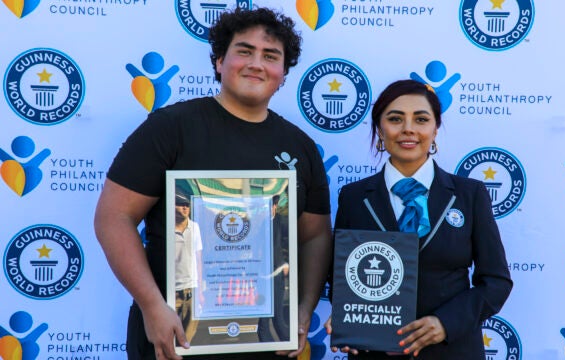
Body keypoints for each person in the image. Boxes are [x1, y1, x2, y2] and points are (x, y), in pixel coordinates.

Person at [94, 7, 332, 360]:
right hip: (174, 335)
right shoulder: (169, 129)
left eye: (270, 56)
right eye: (244, 51)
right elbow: (113, 218)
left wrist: (303, 308)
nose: (256, 63)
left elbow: (314, 236)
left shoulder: (300, 148)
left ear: (283, 73)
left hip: (266, 340)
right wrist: (151, 306)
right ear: (220, 61)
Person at [325, 79, 512, 359]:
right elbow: (342, 280)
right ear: (379, 129)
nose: (408, 129)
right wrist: (346, 319)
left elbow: (496, 282)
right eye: (395, 119)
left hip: (451, 350)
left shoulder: (469, 195)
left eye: (421, 119)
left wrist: (445, 324)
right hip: (374, 352)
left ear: (435, 129)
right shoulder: (353, 197)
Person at [173, 191, 203, 345]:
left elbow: (198, 257)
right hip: (173, 292)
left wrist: (201, 291)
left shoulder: (195, 227)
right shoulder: (167, 228)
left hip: (192, 290)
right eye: (181, 205)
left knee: (187, 340)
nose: (185, 208)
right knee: (171, 339)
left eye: (187, 205)